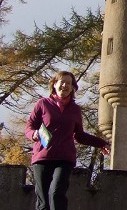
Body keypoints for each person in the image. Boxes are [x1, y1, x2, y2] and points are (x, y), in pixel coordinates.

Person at [25, 70, 111, 210]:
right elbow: (29, 127)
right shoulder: (43, 104)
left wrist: (101, 143)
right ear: (54, 84)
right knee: (43, 202)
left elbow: (79, 135)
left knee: (56, 193)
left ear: (72, 88)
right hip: (42, 157)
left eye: (69, 83)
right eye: (62, 82)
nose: (65, 85)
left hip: (64, 159)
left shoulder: (75, 109)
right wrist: (33, 134)